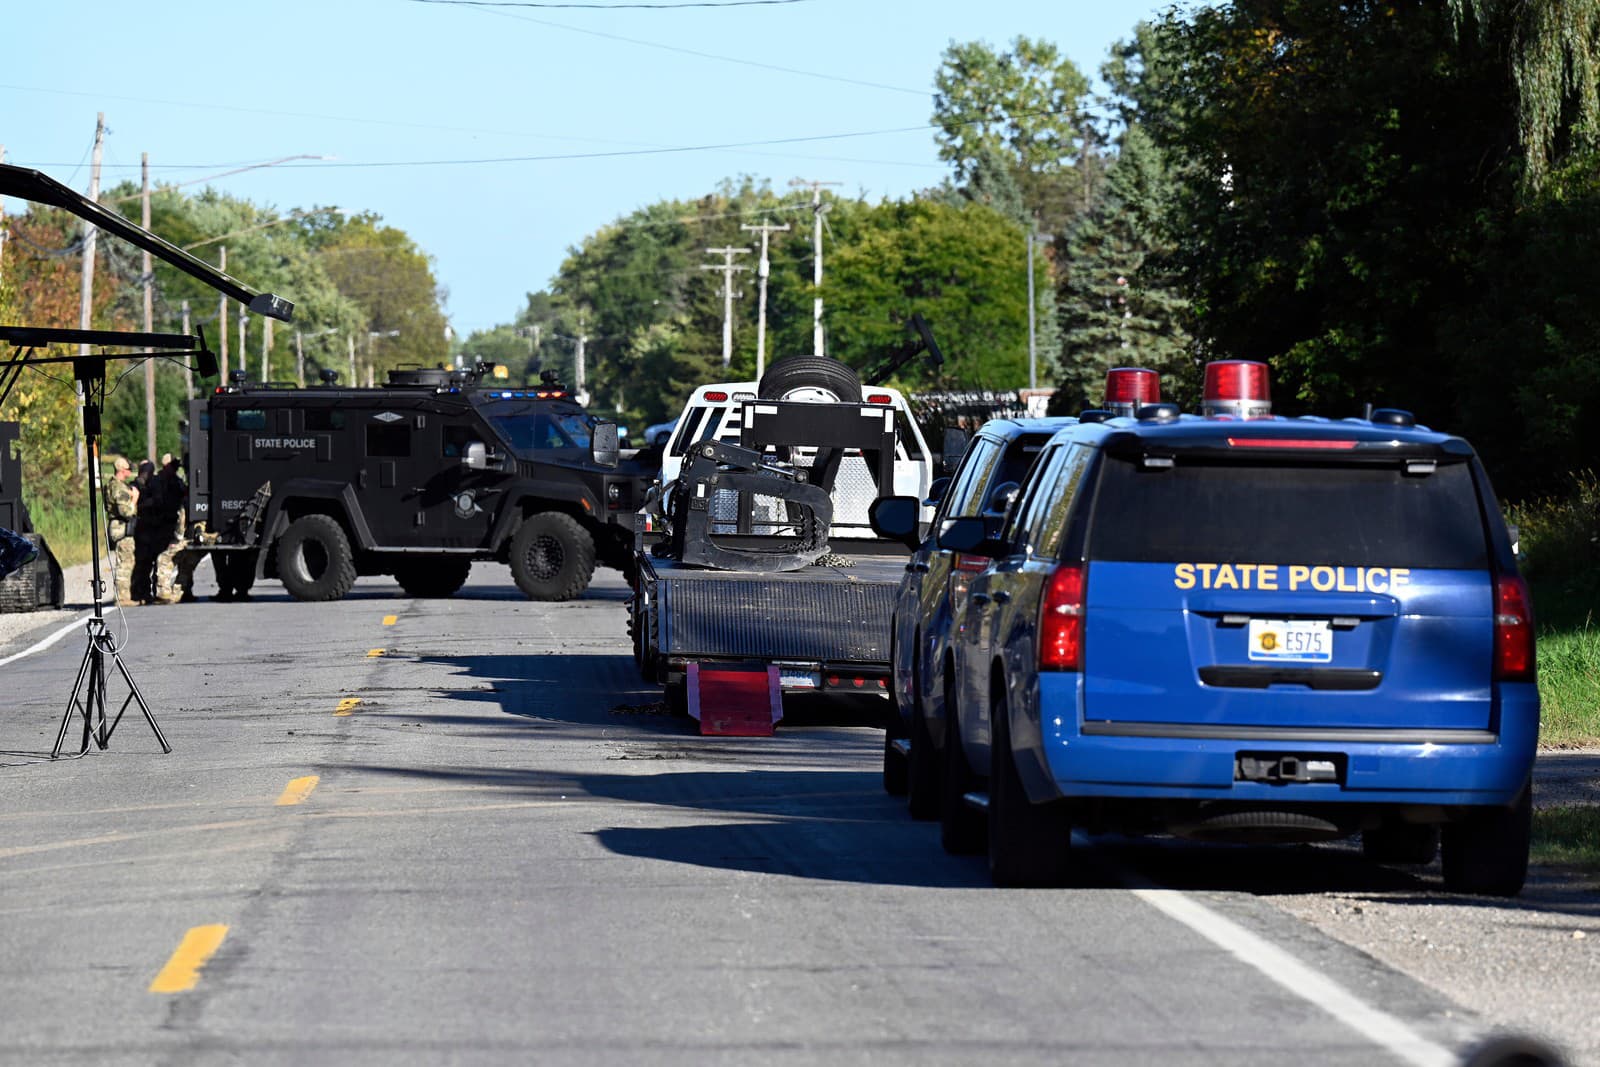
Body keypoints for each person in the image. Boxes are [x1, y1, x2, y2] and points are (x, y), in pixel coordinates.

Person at [151, 453, 188, 605]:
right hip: (162, 525)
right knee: (162, 559)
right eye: (172, 466)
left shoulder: (176, 482)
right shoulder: (157, 482)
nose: (175, 469)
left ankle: (183, 590)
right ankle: (161, 592)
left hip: (175, 525)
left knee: (180, 559)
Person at [104, 455, 140, 606]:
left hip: (119, 526)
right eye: (127, 470)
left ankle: (124, 595)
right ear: (121, 470)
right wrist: (134, 500)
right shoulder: (119, 488)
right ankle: (122, 597)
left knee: (126, 560)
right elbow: (126, 511)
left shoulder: (113, 485)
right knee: (125, 562)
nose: (129, 472)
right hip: (122, 527)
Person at [132, 459, 160, 604]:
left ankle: (146, 592)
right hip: (143, 529)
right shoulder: (136, 486)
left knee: (148, 563)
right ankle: (141, 592)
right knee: (143, 563)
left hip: (151, 529)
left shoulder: (154, 485)